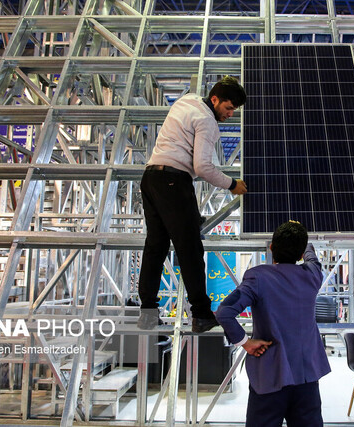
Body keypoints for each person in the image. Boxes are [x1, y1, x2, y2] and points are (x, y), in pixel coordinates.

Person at [138, 76, 248, 333]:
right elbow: (202, 167)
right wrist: (232, 184)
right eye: (228, 108)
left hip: (151, 178)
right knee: (190, 249)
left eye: (233, 110)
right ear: (215, 100)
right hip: (173, 182)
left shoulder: (186, 101)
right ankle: (201, 314)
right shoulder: (208, 122)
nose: (230, 114)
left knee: (155, 246)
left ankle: (147, 313)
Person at [215, 221, 331, 427]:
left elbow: (225, 312)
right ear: (299, 254)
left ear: (271, 248)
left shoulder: (258, 277)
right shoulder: (312, 275)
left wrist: (245, 342)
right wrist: (303, 243)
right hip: (306, 379)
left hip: (269, 378)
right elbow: (312, 258)